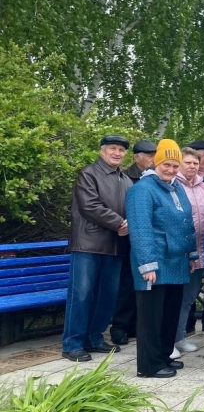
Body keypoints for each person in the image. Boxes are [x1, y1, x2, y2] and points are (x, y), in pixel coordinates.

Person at [126, 139, 197, 379]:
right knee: (151, 317)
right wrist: (147, 264)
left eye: (175, 165)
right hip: (155, 263)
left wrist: (192, 252)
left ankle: (164, 356)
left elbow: (187, 222)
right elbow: (140, 228)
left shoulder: (176, 187)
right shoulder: (142, 189)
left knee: (169, 314)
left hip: (176, 261)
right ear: (156, 162)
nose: (171, 169)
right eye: (166, 164)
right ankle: (149, 365)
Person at [62, 135, 133, 362]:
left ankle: (94, 338)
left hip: (115, 246)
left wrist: (129, 224)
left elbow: (132, 207)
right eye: (113, 148)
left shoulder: (126, 179)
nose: (117, 153)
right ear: (102, 150)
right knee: (81, 295)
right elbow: (90, 205)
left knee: (107, 296)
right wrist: (120, 223)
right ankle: (72, 344)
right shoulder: (88, 173)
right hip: (89, 245)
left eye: (121, 150)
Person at [111, 139, 156, 345]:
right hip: (127, 237)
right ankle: (119, 327)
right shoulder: (127, 177)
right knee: (127, 284)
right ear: (138, 157)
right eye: (149, 156)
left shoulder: (155, 178)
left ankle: (137, 325)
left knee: (145, 284)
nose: (153, 159)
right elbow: (120, 204)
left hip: (148, 237)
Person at [173, 147, 204, 356]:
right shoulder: (172, 185)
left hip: (200, 253)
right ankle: (167, 341)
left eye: (195, 163)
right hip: (178, 253)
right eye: (187, 162)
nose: (192, 166)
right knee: (173, 298)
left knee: (188, 299)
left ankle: (179, 337)